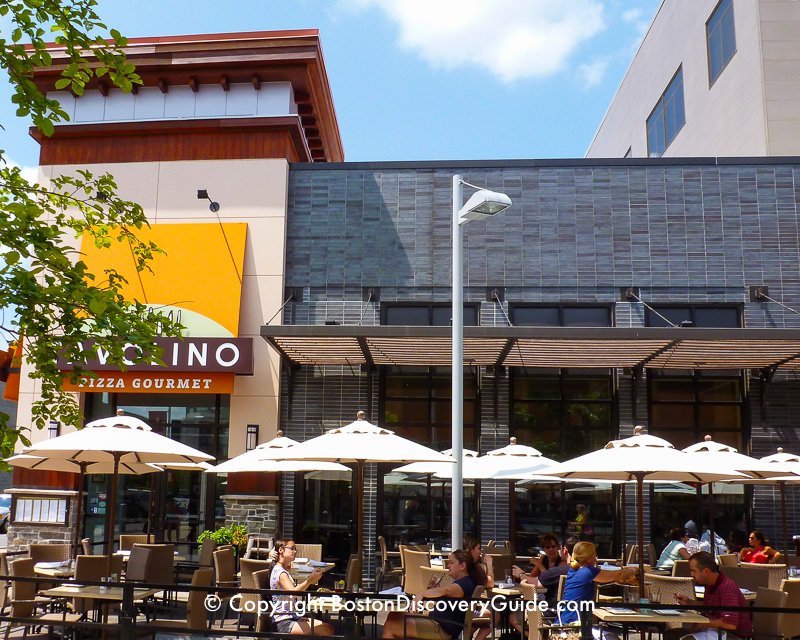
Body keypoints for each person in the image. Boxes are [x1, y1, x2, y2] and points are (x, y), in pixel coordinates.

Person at [382, 549, 483, 640]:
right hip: (437, 624)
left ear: (462, 566)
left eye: (451, 563)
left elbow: (446, 590)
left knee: (391, 626)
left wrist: (421, 594)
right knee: (393, 615)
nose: (448, 566)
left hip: (441, 630)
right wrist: (432, 590)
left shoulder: (464, 584)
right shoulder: (465, 583)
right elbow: (445, 593)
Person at [558, 541, 637, 637]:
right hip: (574, 625)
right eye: (594, 554)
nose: (596, 557)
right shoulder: (589, 572)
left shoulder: (573, 570)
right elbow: (616, 575)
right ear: (589, 557)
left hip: (563, 622)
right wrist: (634, 570)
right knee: (612, 637)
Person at [672, 551, 752, 640]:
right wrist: (689, 602)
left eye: (694, 571)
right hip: (714, 630)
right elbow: (709, 607)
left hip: (733, 635)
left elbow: (730, 624)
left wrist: (704, 623)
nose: (692, 575)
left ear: (706, 571)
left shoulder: (726, 588)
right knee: (672, 634)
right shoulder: (710, 584)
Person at [269, 538, 335, 636]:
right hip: (283, 622)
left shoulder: (284, 568)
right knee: (326, 631)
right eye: (292, 548)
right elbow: (293, 592)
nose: (295, 551)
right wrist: (310, 580)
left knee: (329, 628)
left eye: (295, 549)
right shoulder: (280, 572)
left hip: (292, 616)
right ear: (281, 550)